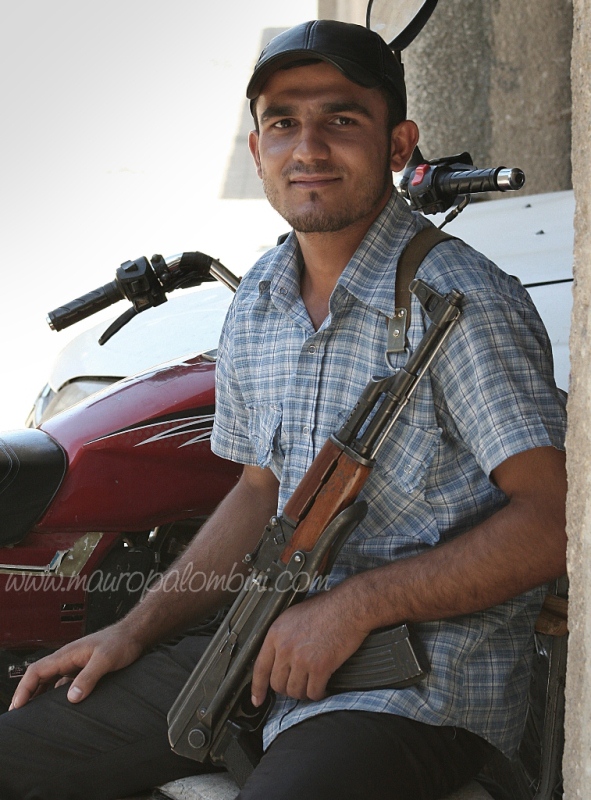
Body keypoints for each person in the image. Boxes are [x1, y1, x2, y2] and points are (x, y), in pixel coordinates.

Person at [0, 20, 567, 800]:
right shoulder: (260, 299)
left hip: (416, 691)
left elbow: (554, 520)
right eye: (282, 123)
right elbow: (256, 490)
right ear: (257, 149)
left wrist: (356, 605)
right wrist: (130, 633)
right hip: (258, 652)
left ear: (398, 145)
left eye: (341, 119)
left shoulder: (463, 304)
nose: (308, 148)